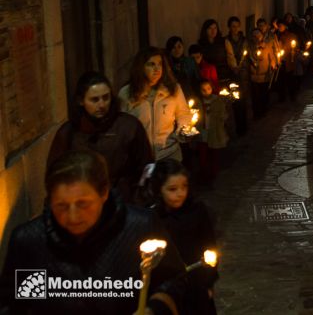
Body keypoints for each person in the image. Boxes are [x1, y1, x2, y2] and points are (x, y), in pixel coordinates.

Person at [0, 150, 187, 313]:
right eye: (61, 206)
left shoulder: (140, 227)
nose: (72, 217)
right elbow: (16, 305)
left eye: (83, 204)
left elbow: (176, 282)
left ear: (104, 192)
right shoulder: (31, 242)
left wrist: (155, 309)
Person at [48, 72, 153, 203]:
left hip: (123, 203)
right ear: (81, 101)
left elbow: (145, 167)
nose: (102, 104)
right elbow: (55, 176)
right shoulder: (68, 133)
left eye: (106, 98)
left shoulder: (129, 127)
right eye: (95, 99)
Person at [150, 159, 218, 314]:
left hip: (196, 282)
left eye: (184, 187)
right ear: (159, 189)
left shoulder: (197, 212)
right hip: (167, 288)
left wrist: (208, 283)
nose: (180, 193)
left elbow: (209, 245)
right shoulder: (153, 218)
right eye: (172, 189)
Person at [119, 47, 192, 162]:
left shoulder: (173, 89)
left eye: (160, 64)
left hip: (169, 153)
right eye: (151, 64)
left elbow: (183, 113)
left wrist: (182, 130)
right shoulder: (127, 93)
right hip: (140, 157)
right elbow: (121, 125)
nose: (157, 69)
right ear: (140, 67)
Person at [225, 16, 248, 136]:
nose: (235, 28)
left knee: (243, 100)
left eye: (237, 26)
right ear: (229, 27)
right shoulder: (226, 40)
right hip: (232, 74)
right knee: (235, 100)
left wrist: (241, 67)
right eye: (233, 26)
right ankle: (237, 127)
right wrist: (234, 67)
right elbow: (229, 55)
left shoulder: (243, 40)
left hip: (242, 73)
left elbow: (245, 54)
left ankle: (243, 126)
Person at [248, 29, 277, 119]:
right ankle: (256, 113)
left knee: (263, 95)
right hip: (254, 76)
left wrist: (273, 65)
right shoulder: (250, 47)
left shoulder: (267, 46)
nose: (257, 38)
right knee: (255, 97)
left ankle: (263, 111)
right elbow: (248, 57)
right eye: (254, 36)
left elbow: (272, 57)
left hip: (264, 76)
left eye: (258, 36)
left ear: (262, 36)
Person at [199, 19, 232, 83]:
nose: (213, 31)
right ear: (205, 30)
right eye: (210, 28)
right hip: (209, 77)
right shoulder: (201, 44)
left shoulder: (224, 41)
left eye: (215, 28)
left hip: (223, 75)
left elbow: (230, 57)